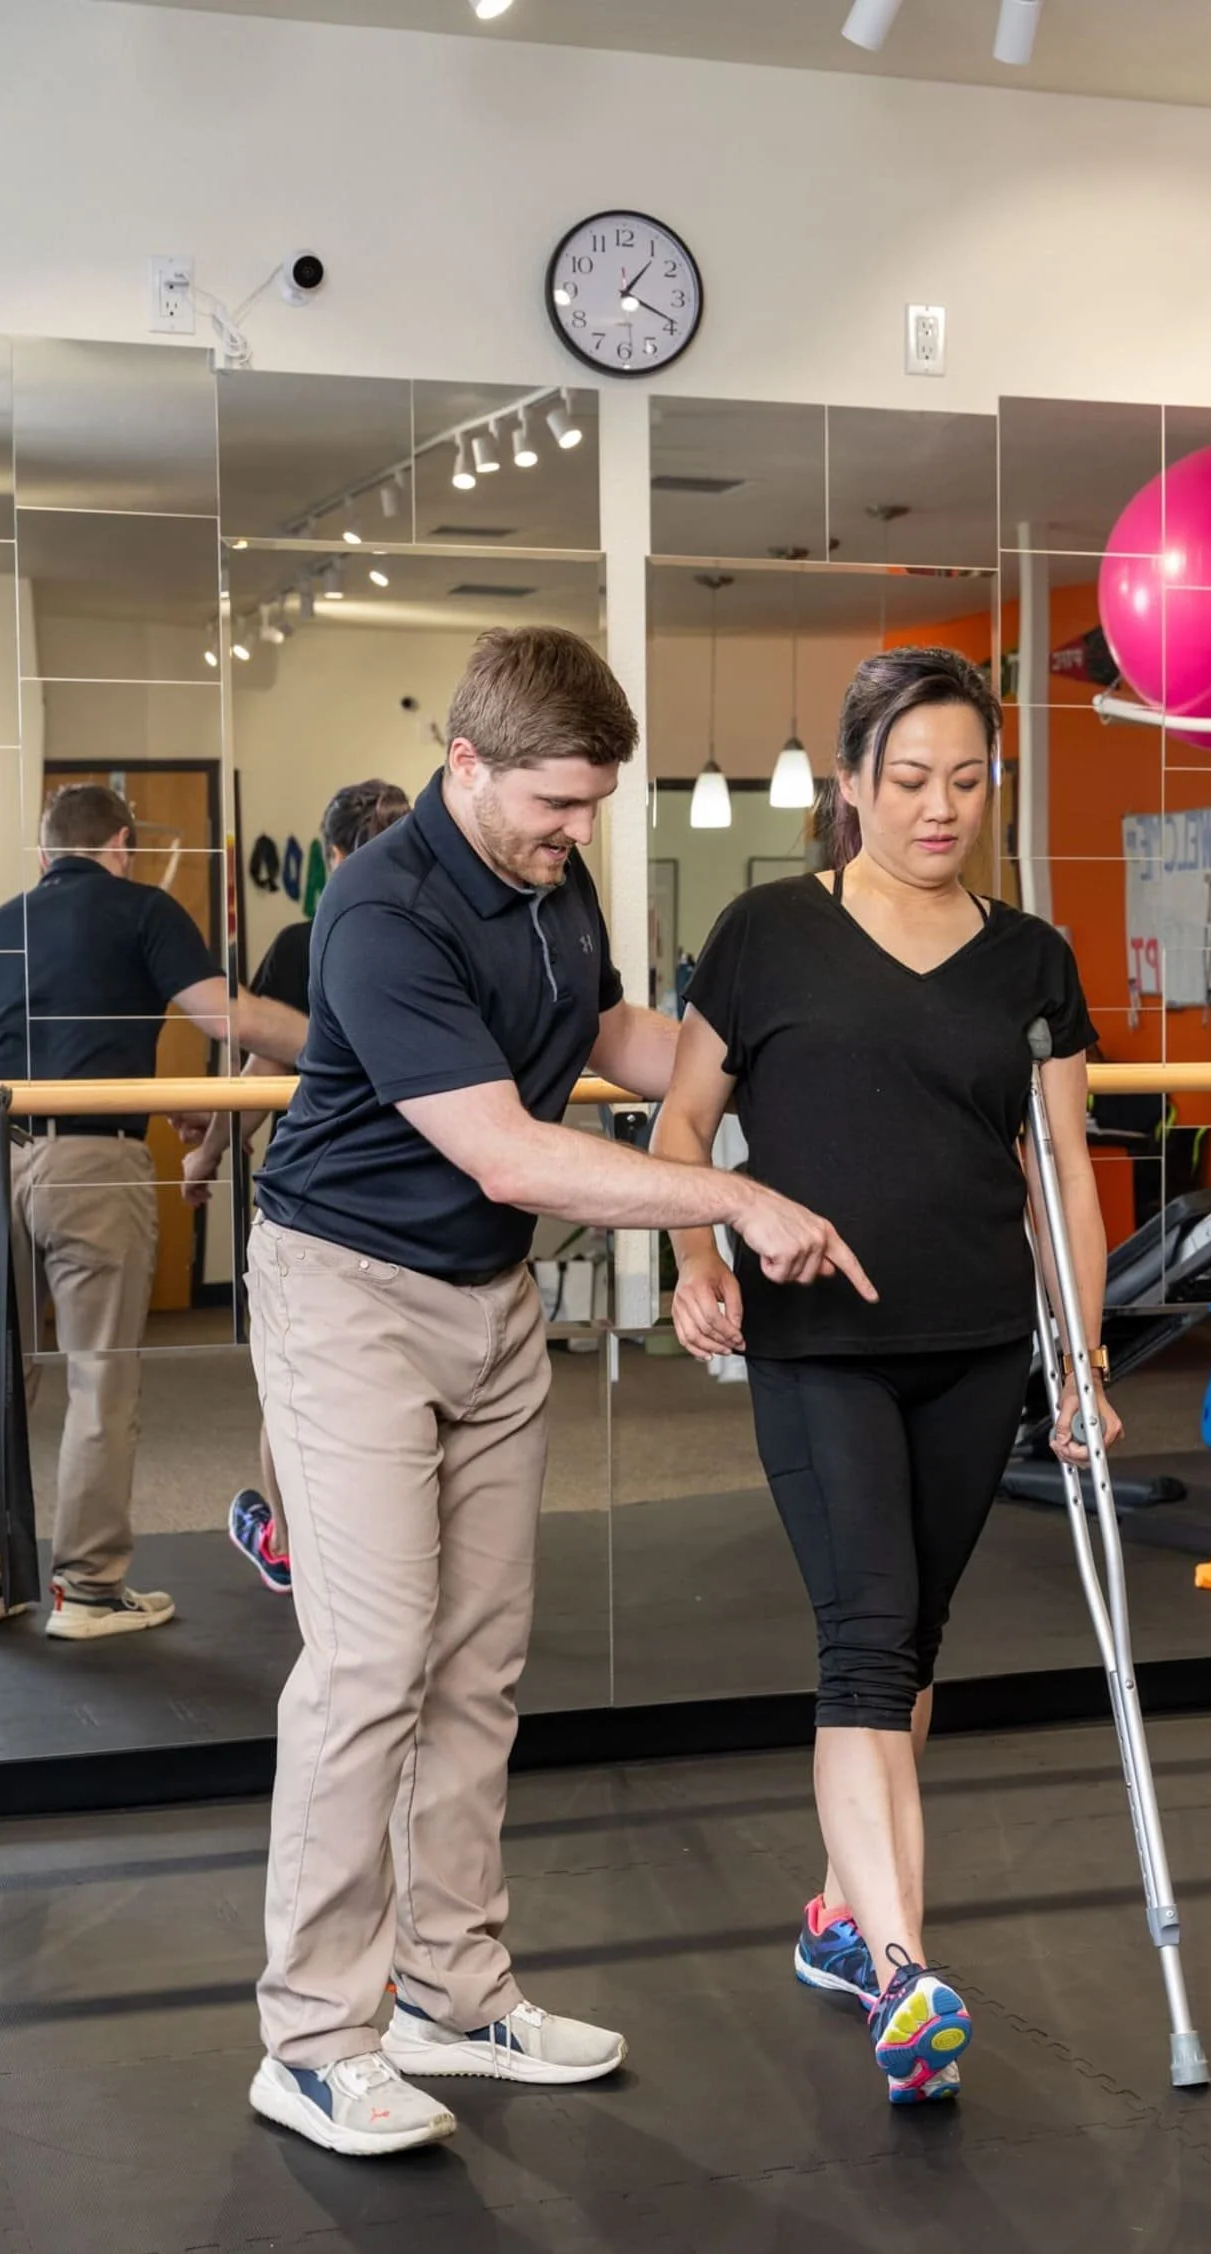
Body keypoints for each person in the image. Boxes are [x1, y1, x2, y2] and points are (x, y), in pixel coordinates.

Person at [245, 626, 872, 2159]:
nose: (579, 833)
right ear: (464, 762)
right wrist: (731, 1198)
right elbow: (511, 1150)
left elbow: (609, 1035)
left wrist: (790, 1078)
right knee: (371, 1663)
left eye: (592, 806)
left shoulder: (550, 879)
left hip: (489, 1301)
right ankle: (316, 2035)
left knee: (477, 1665)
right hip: (350, 1299)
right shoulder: (380, 911)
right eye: (558, 805)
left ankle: (452, 1994)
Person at [652, 647, 1121, 2106]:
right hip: (822, 1351)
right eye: (909, 780)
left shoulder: (1032, 961)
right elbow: (678, 1133)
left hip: (976, 1350)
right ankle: (904, 1969)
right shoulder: (764, 936)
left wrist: (1084, 1360)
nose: (940, 808)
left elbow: (1062, 1184)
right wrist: (700, 1260)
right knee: (863, 1639)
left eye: (968, 781)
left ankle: (840, 1909)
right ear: (849, 785)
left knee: (908, 1646)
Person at [0, 782, 307, 1639]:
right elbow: (227, 1016)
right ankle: (85, 1591)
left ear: (47, 855)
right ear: (119, 845)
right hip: (94, 1167)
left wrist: (170, 1106)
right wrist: (339, 1040)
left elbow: (52, 1051)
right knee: (99, 1377)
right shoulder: (143, 909)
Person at [179, 778, 411, 1593]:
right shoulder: (446, 931)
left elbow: (261, 1074)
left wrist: (204, 1159)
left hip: (320, 1204)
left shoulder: (313, 936)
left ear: (334, 855)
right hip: (426, 1204)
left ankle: (287, 1539)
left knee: (297, 1381)